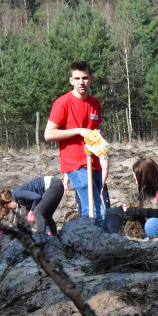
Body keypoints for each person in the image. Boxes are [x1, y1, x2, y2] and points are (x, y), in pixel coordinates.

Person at [45, 60, 109, 224]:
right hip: (75, 164)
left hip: (94, 162)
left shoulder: (95, 103)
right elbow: (48, 134)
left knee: (96, 207)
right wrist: (79, 131)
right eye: (77, 78)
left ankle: (90, 235)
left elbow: (99, 128)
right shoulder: (63, 103)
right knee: (95, 211)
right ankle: (94, 237)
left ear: (91, 79)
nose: (81, 82)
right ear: (71, 80)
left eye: (85, 78)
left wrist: (100, 136)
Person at [0, 177, 66, 236]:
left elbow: (37, 197)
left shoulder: (17, 193)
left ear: (10, 201)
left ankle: (41, 237)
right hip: (57, 185)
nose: (11, 209)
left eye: (9, 207)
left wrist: (32, 211)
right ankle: (54, 237)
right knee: (47, 215)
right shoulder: (19, 200)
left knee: (37, 212)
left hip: (53, 185)